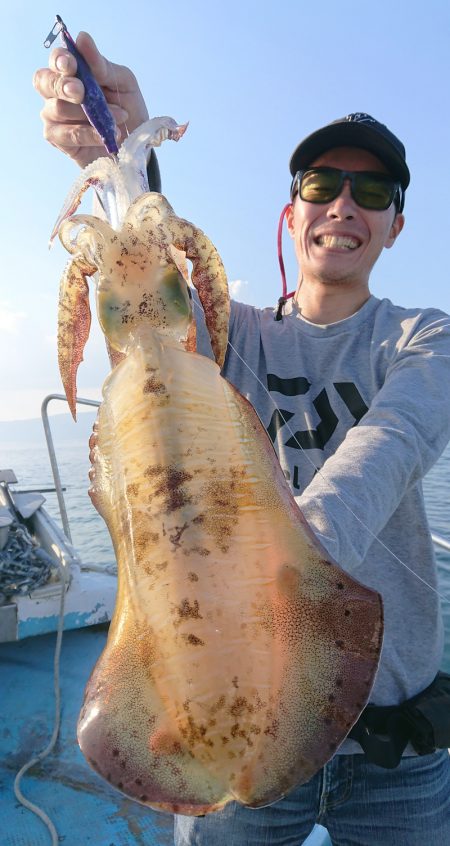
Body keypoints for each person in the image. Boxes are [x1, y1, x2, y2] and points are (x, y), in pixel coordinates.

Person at [34, 32, 450, 846]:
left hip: (395, 751)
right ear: (292, 214)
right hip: (229, 705)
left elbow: (393, 443)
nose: (344, 205)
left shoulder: (423, 338)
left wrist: (290, 566)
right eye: (324, 183)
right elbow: (150, 314)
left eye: (372, 191)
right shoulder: (233, 337)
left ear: (397, 224)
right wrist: (128, 153)